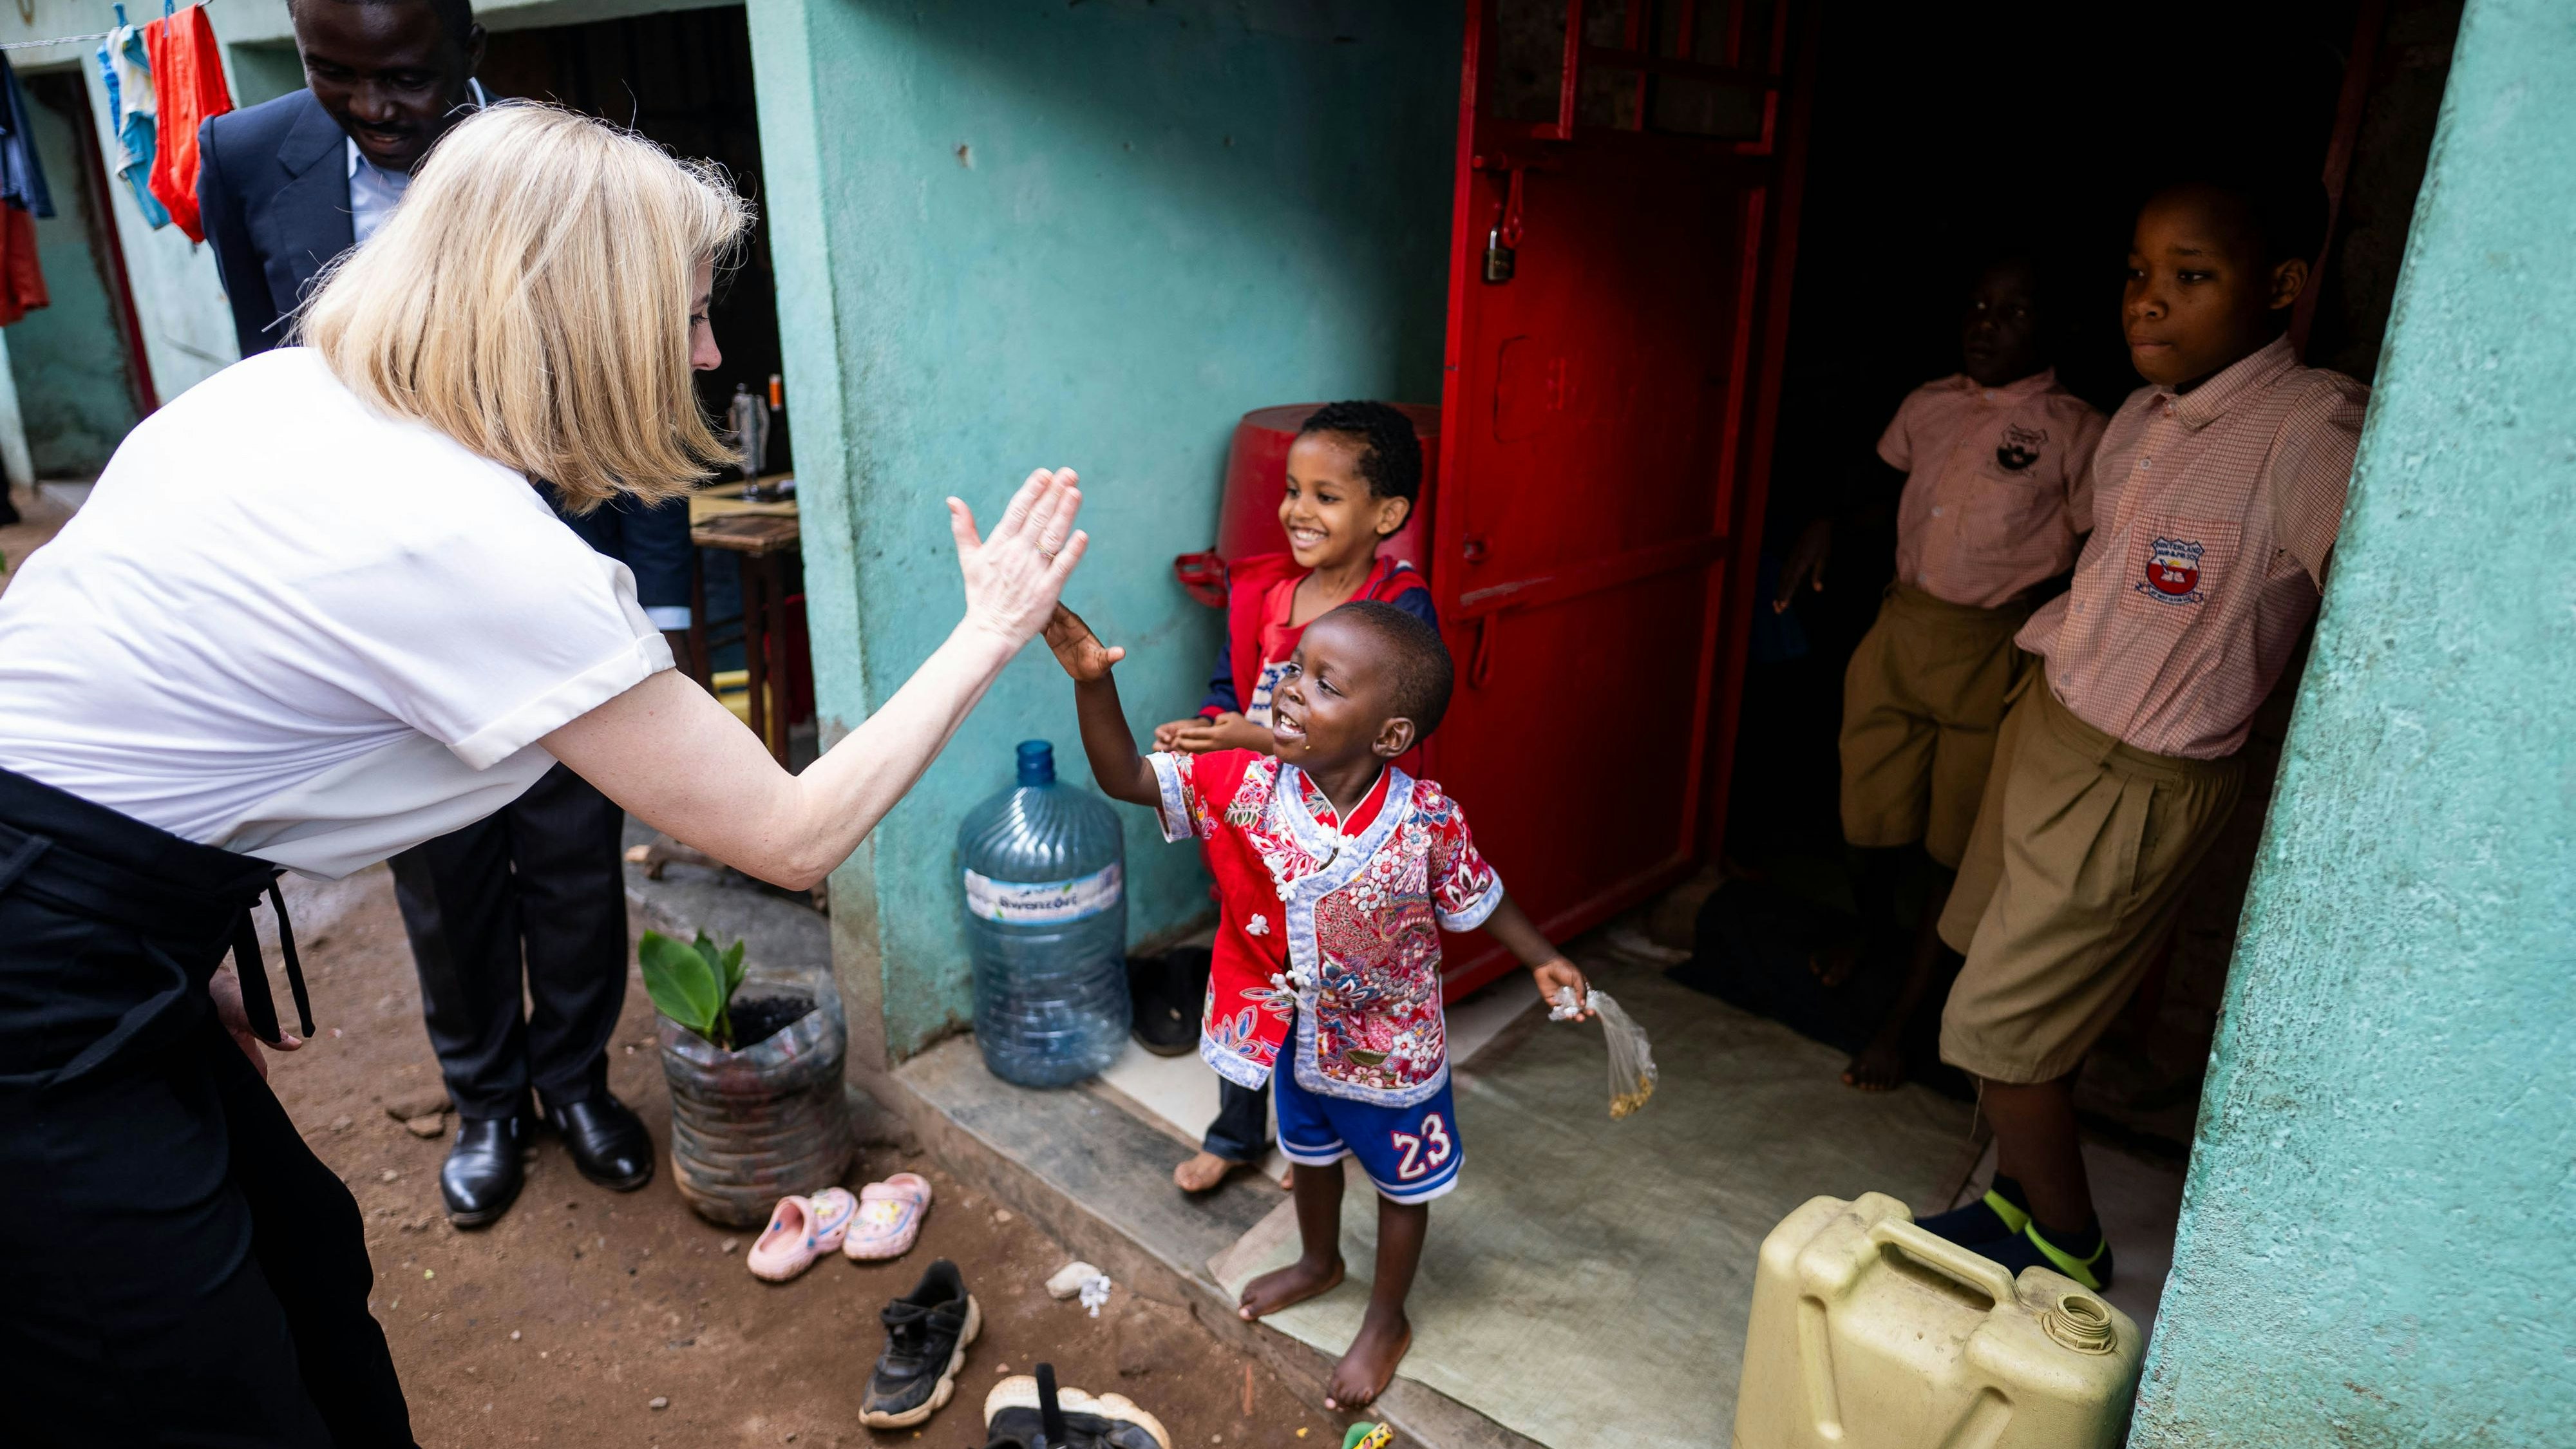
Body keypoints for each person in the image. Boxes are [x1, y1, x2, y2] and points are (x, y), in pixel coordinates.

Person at [0, 105, 1091, 1446]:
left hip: (89, 921)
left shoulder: (279, 396)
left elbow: (87, 681)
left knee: (305, 1266)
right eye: (689, 315)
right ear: (583, 318)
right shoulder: (464, 539)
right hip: (42, 966)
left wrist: (168, 945)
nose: (707, 352)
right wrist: (989, 629)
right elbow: (794, 833)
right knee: (191, 1386)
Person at [198, 0, 698, 1224]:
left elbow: (635, 375)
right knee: (443, 864)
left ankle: (576, 1084)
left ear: (471, 49)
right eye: (336, 76)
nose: (375, 109)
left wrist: (668, 603)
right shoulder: (244, 157)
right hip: (381, 605)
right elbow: (271, 376)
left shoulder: (556, 168)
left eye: (409, 79)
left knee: (574, 858)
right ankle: (486, 1101)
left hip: (551, 579)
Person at [1913, 178, 2368, 1290]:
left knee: (1997, 1029)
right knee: (1992, 964)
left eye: (2192, 277)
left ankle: (2070, 1249)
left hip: (2140, 776)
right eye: (2138, 275)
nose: (2150, 304)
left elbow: (2373, 612)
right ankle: (2016, 1211)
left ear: (2279, 287)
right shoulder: (2140, 418)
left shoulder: (2312, 428)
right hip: (2053, 725)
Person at [1045, 597, 1591, 1411]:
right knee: (1308, 1153)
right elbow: (1126, 776)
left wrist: (1542, 957)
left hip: (1391, 1049)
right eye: (1293, 669)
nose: (1290, 689)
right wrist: (1093, 686)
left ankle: (1385, 1316)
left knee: (1403, 1186)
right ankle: (1317, 1260)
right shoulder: (1245, 783)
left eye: (1324, 684)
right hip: (1295, 1037)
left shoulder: (1425, 822)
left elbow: (1478, 897)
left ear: (1390, 735)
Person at [1774, 258, 2107, 1091]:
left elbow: (2099, 549)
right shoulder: (1929, 405)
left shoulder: (2078, 430)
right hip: (1903, 623)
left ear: (2053, 330)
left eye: (2013, 311)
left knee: (1955, 842)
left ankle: (1908, 1012)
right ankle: (1872, 932)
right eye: (1979, 305)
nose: (1986, 323)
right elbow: (1896, 492)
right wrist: (1828, 521)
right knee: (1868, 809)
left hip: (1993, 643)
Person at [1150, 401, 1438, 1196]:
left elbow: (1381, 734)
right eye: (1290, 489)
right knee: (1246, 970)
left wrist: (1246, 734)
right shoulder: (1266, 596)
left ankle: (1324, 1140)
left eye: (1324, 495)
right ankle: (1235, 1135)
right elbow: (1227, 694)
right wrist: (1208, 734)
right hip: (1257, 829)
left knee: (1336, 994)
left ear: (1387, 514)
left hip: (1348, 839)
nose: (1296, 511)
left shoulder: (1399, 612)